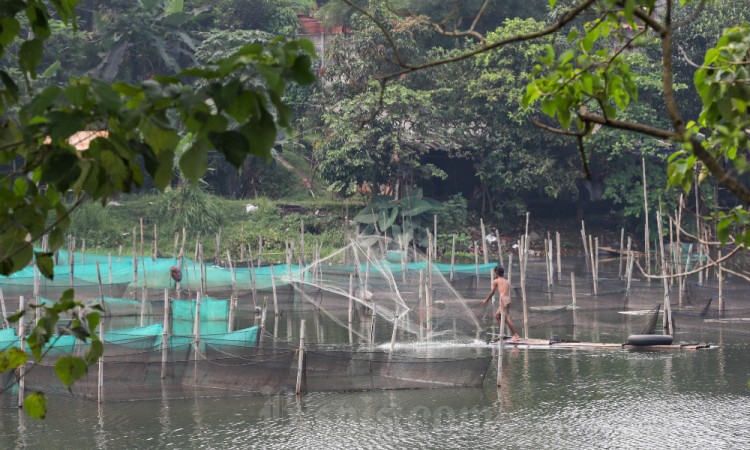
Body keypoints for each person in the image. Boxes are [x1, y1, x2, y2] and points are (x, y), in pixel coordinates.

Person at [482, 265, 520, 341]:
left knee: (506, 318)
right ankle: (503, 334)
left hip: (503, 300)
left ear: (496, 272)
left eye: (495, 272)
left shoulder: (496, 281)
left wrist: (486, 300)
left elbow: (492, 293)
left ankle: (515, 335)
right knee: (497, 316)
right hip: (508, 299)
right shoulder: (506, 281)